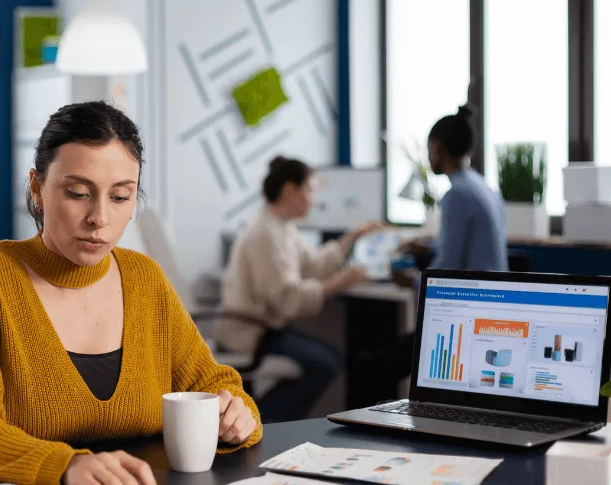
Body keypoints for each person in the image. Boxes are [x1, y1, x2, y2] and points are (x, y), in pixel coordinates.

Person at [0, 101, 262, 485]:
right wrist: (65, 466)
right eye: (79, 193)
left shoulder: (143, 277)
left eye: (120, 197)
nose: (99, 218)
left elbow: (211, 385)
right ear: (38, 188)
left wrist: (236, 412)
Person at [217, 156, 382, 423]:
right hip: (252, 332)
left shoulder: (282, 227)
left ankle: (256, 418)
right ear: (290, 190)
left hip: (266, 328)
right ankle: (258, 422)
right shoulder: (265, 234)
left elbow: (312, 264)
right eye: (309, 189)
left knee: (327, 359)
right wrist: (339, 283)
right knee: (326, 364)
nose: (312, 198)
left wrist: (352, 237)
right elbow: (288, 300)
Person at [377, 103, 508, 380]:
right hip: (494, 308)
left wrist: (408, 280)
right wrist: (426, 247)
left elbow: (445, 275)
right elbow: (471, 247)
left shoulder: (456, 195)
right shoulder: (482, 187)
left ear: (439, 149)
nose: (428, 157)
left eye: (429, 149)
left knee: (376, 367)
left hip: (468, 318)